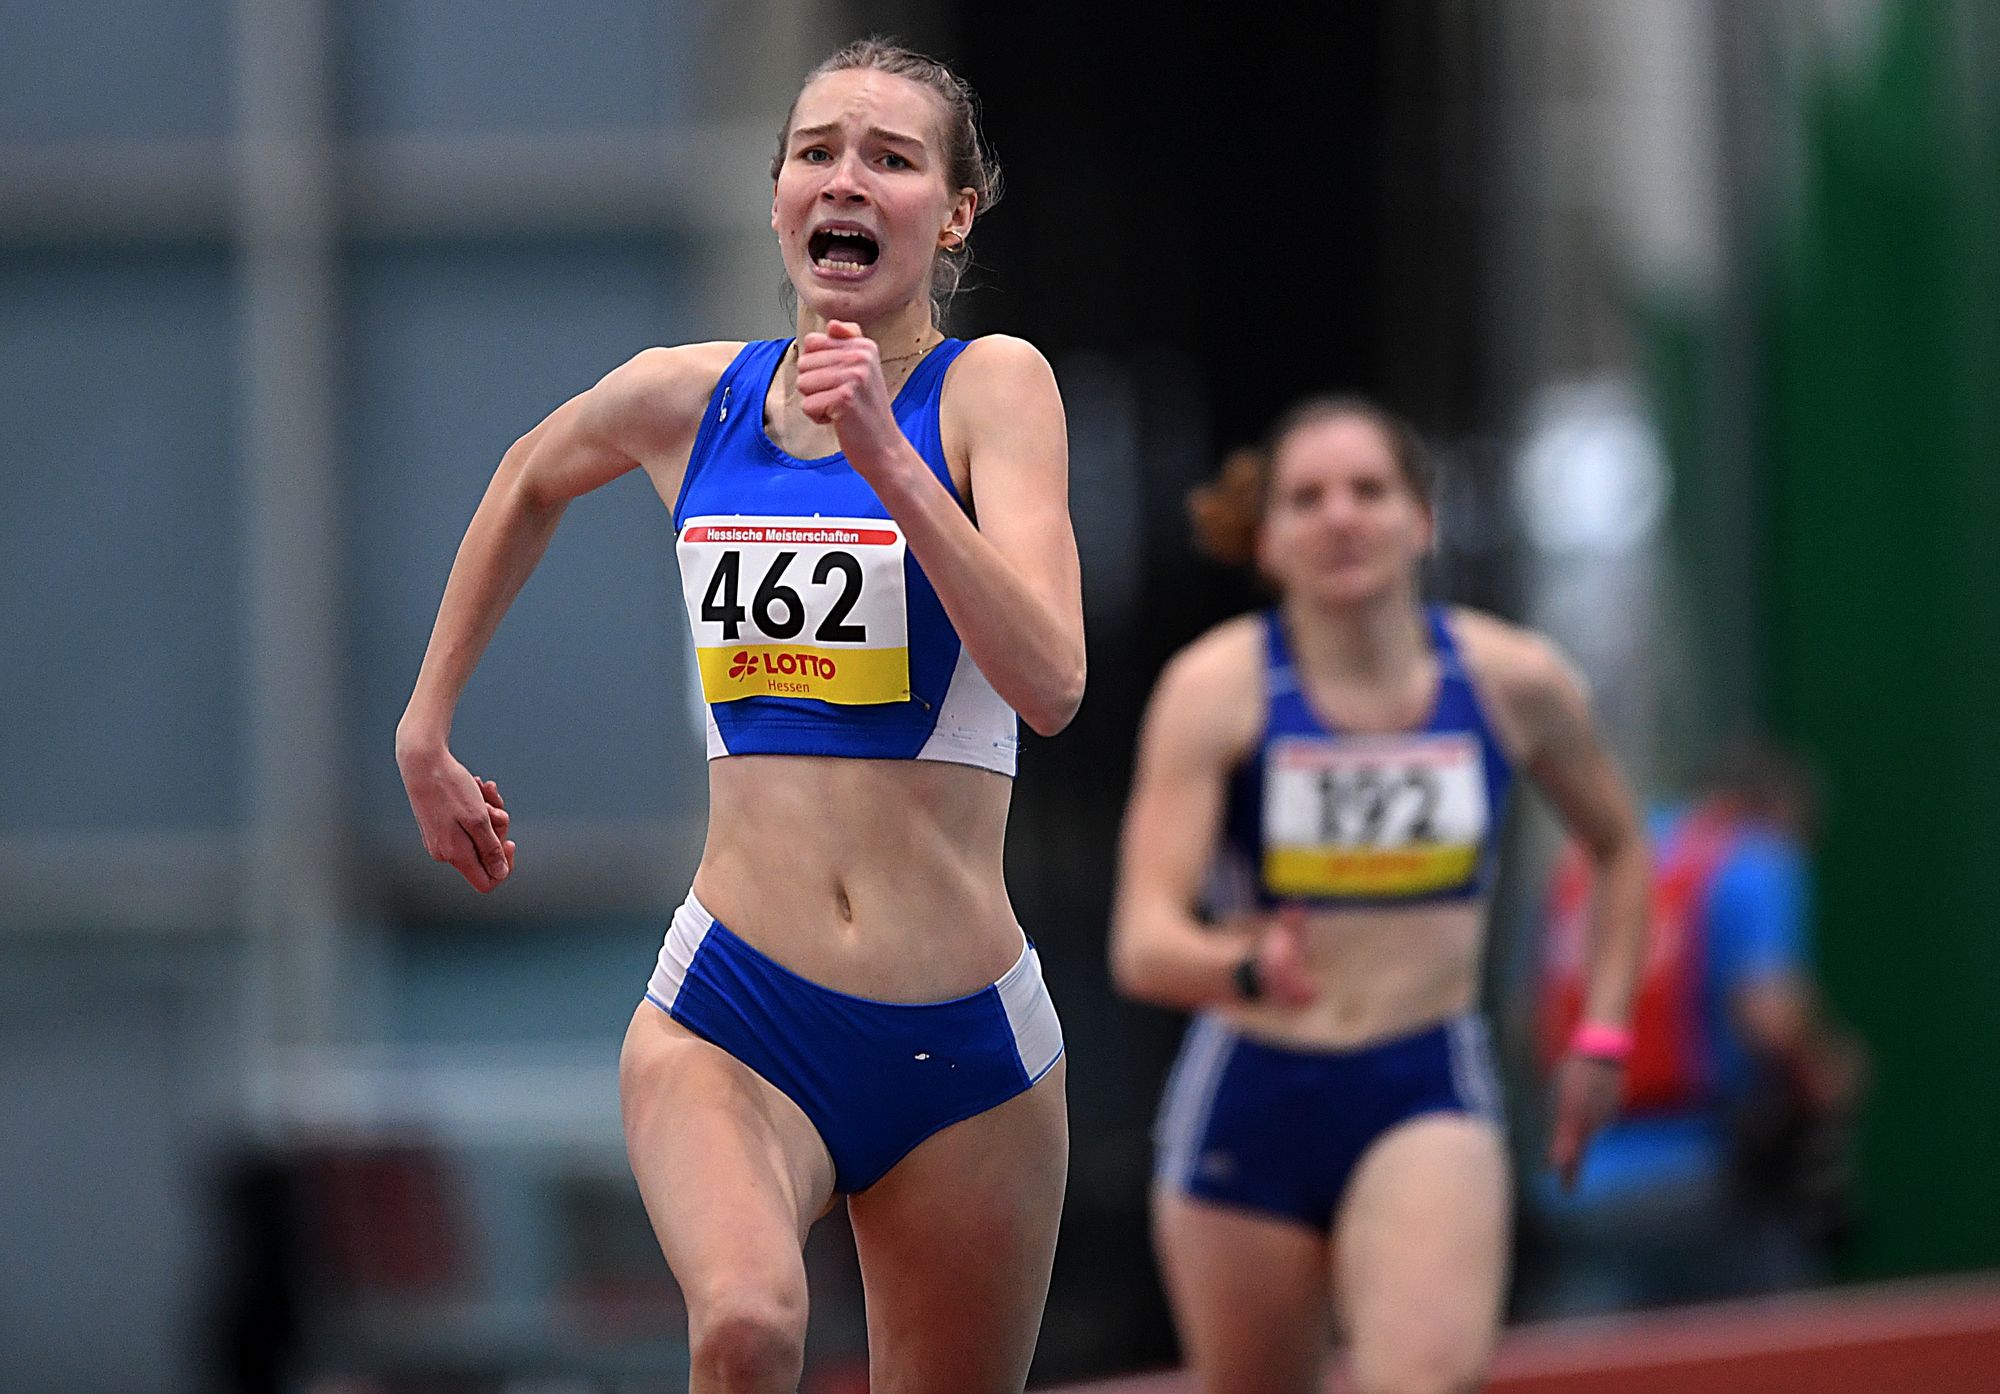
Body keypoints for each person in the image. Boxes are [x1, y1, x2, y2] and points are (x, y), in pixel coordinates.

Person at [394, 40, 1084, 1394]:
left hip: (966, 1049)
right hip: (737, 1009)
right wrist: (428, 724)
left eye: (890, 158)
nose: (846, 178)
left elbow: (1051, 680)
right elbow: (530, 473)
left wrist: (888, 456)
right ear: (778, 197)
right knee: (750, 1325)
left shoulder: (993, 389)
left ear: (953, 214)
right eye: (817, 151)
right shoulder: (687, 397)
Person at [1110, 400, 1649, 1394]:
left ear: (1422, 518)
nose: (1341, 517)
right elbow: (1143, 941)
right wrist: (1244, 965)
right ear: (1267, 539)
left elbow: (1618, 846)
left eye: (1368, 490)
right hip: (1254, 1092)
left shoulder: (1512, 680)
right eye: (1306, 498)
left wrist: (1603, 1032)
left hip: (1421, 1080)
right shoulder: (1215, 689)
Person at [1523, 745, 1866, 1316]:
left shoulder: (1582, 870)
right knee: (1773, 1345)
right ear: (1775, 808)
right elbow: (1769, 1011)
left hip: (1580, 1183)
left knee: (1603, 1353)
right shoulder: (1755, 857)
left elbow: (1531, 1020)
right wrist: (1827, 1067)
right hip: (1709, 1171)